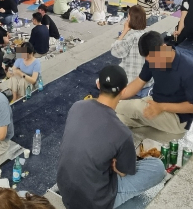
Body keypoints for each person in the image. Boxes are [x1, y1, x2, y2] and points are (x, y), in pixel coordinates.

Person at [57, 64, 166, 209]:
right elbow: (124, 172)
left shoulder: (77, 106)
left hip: (66, 192)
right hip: (94, 202)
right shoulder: (122, 132)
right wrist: (116, 165)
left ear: (98, 84)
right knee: (157, 167)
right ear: (124, 91)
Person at [116, 31, 193, 133]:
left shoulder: (191, 70)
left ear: (163, 48)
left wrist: (161, 107)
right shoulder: (152, 59)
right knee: (117, 119)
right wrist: (116, 96)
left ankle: (105, 105)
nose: (152, 63)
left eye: (154, 59)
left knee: (133, 107)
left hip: (178, 118)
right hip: (156, 104)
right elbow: (139, 81)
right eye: (148, 60)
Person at [111, 6, 153, 97]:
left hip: (131, 85)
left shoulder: (131, 37)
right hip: (147, 84)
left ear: (130, 18)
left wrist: (125, 30)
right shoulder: (150, 36)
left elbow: (114, 51)